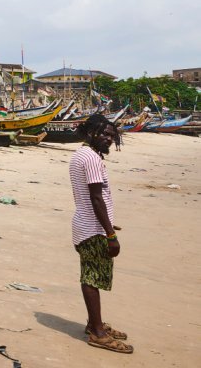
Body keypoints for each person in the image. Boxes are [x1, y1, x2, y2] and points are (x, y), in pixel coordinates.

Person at [69, 114, 133, 354]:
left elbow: (92, 197)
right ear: (91, 132)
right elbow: (96, 198)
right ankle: (98, 333)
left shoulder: (82, 155)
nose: (109, 139)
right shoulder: (92, 159)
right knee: (92, 278)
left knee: (91, 275)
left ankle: (93, 324)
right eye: (104, 134)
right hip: (92, 229)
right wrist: (110, 234)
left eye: (111, 136)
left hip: (85, 225)